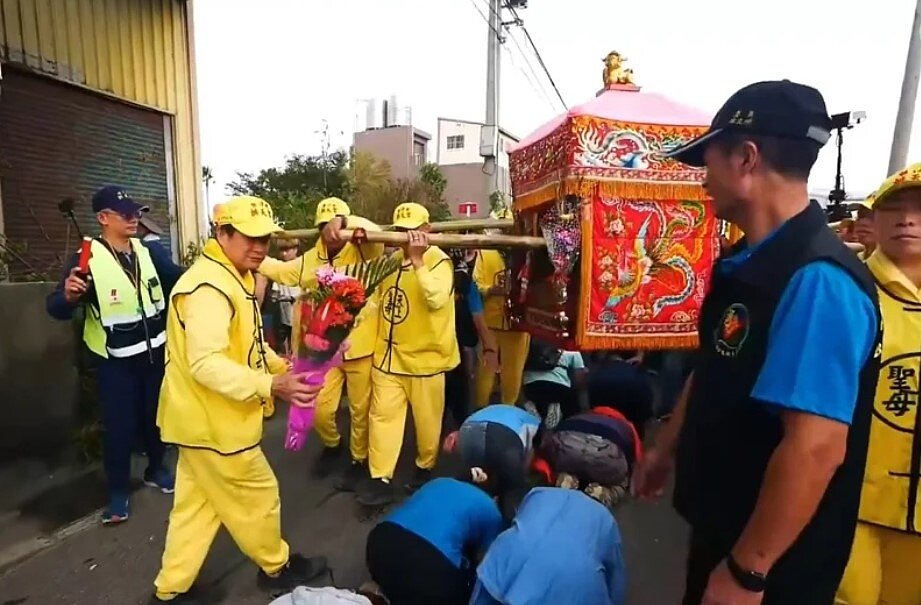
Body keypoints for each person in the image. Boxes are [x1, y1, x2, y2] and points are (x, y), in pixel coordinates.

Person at [633, 81, 881, 605]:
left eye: (708, 162)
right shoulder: (749, 262)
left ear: (746, 159)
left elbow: (815, 447)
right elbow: (717, 365)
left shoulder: (818, 281)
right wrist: (666, 447)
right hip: (724, 530)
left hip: (770, 569)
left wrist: (747, 572)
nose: (703, 180)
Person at [150, 196, 329, 603]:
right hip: (216, 425)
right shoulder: (210, 288)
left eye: (264, 239)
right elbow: (206, 363)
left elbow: (246, 344)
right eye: (250, 238)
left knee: (196, 509)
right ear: (222, 233)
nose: (260, 247)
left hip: (198, 423)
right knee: (259, 496)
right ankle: (276, 567)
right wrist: (271, 385)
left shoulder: (232, 276)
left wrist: (282, 367)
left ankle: (171, 589)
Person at [46, 185, 183, 525]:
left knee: (156, 419)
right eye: (126, 214)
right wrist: (69, 296)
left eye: (137, 212)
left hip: (154, 353)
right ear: (103, 218)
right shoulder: (86, 258)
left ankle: (156, 469)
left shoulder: (148, 251)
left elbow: (179, 280)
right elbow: (57, 307)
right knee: (120, 428)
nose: (134, 218)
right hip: (115, 361)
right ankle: (118, 493)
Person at [837, 163, 921, 605]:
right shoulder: (848, 290)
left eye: (920, 209)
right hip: (853, 503)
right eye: (894, 209)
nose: (907, 220)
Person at [259, 198, 384, 482]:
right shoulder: (311, 259)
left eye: (335, 224)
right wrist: (243, 251)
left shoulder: (364, 247)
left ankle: (358, 460)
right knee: (320, 409)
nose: (331, 232)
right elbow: (281, 271)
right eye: (325, 226)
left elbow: (375, 231)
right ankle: (333, 445)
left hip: (361, 348)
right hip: (325, 352)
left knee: (361, 410)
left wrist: (346, 223)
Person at [359, 203, 459, 507]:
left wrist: (418, 262)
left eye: (413, 230)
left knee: (427, 423)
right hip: (388, 359)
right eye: (401, 231)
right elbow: (376, 303)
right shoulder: (390, 263)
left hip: (426, 361)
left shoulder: (439, 261)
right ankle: (380, 477)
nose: (406, 236)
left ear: (427, 230)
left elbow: (436, 299)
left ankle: (425, 466)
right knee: (382, 419)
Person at [470, 487, 626, 605]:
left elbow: (521, 517)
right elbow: (615, 577)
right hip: (572, 580)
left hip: (511, 555)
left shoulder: (540, 492)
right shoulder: (606, 520)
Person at [365, 475, 504, 605]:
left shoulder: (440, 482)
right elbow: (487, 562)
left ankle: (379, 593)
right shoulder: (491, 508)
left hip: (380, 543)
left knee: (397, 584)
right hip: (431, 566)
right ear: (495, 498)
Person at [473, 209, 530, 407]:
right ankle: (480, 410)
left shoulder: (527, 252)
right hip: (491, 322)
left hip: (518, 324)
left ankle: (508, 409)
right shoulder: (485, 252)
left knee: (513, 373)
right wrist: (491, 290)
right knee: (485, 371)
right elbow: (476, 285)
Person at [535, 406, 642, 509]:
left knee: (557, 460)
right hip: (605, 455)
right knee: (622, 481)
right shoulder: (627, 426)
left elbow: (546, 446)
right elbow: (637, 459)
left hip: (569, 446)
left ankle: (564, 479)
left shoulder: (580, 416)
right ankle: (605, 493)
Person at [443, 403, 541, 515]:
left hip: (467, 433)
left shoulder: (500, 409)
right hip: (502, 437)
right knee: (514, 494)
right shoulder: (535, 422)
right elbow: (530, 457)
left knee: (477, 484)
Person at [445, 247, 499, 427]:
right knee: (461, 392)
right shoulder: (468, 284)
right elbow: (479, 320)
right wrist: (489, 347)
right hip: (460, 349)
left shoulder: (435, 281)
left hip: (440, 351)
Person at [521, 341, 587, 428]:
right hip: (558, 387)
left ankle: (530, 405)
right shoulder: (572, 349)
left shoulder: (529, 343)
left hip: (530, 386)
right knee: (570, 405)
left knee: (530, 398)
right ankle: (555, 406)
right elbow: (579, 377)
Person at [270, 239, 301, 355]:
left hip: (301, 315)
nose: (284, 254)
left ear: (295, 249)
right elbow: (275, 292)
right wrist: (276, 297)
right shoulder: (280, 268)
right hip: (285, 317)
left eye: (287, 250)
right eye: (281, 250)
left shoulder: (302, 265)